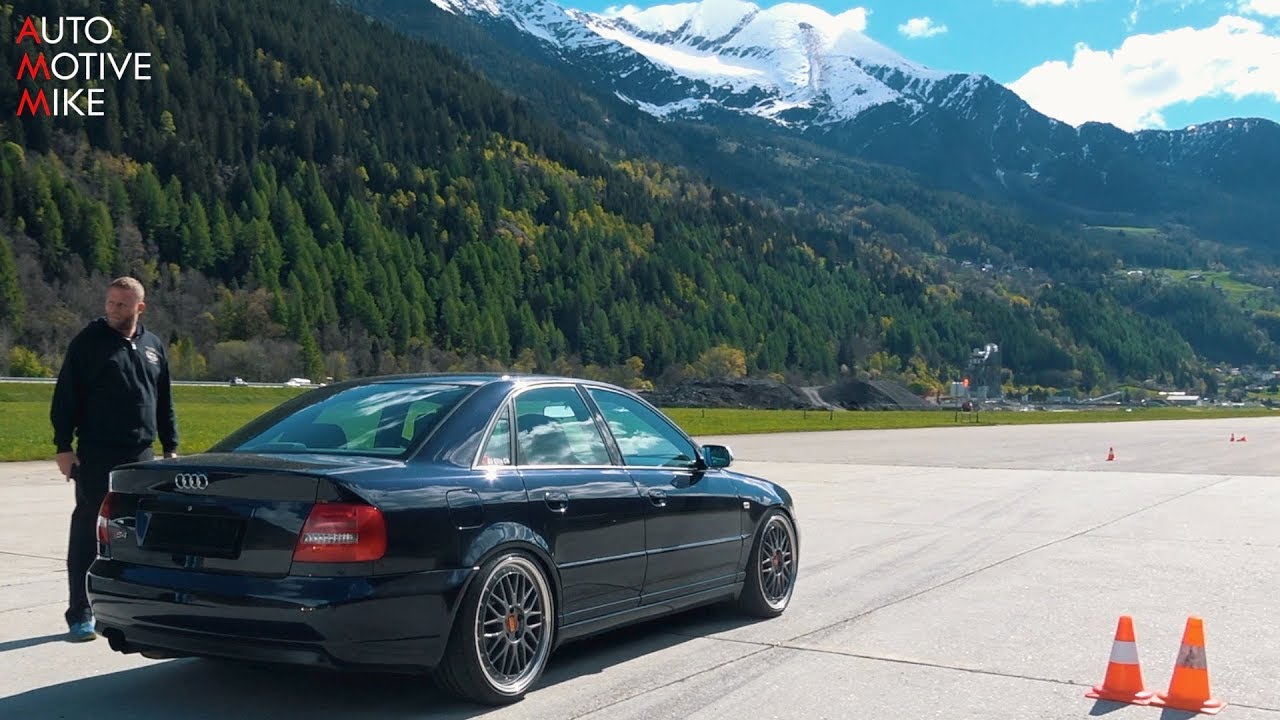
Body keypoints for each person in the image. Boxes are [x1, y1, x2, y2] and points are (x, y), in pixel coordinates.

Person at [50, 277, 179, 642]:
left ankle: (135, 609)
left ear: (141, 306)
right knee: (89, 530)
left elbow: (164, 401)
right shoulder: (88, 344)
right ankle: (80, 612)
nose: (113, 310)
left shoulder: (153, 346)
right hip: (97, 454)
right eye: (110, 303)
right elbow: (65, 398)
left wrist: (171, 447)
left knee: (138, 533)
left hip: (142, 455)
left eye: (122, 304)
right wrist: (63, 446)